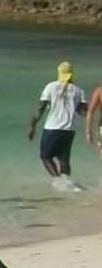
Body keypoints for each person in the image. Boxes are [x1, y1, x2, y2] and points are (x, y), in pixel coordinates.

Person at [27, 60, 87, 192]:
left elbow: (40, 109)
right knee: (64, 159)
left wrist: (32, 125)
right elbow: (84, 112)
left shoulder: (50, 87)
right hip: (69, 130)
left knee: (45, 156)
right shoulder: (78, 91)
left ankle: (59, 181)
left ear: (59, 73)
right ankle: (67, 182)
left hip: (52, 128)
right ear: (72, 74)